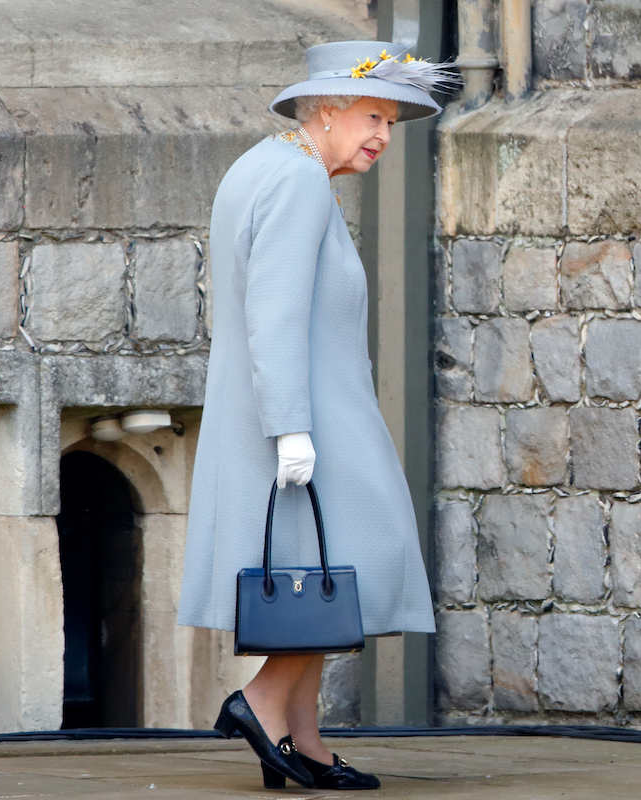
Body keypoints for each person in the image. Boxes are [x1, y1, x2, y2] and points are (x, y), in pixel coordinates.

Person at [176, 40, 454, 790]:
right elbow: (273, 313)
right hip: (306, 417)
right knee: (358, 563)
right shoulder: (298, 181)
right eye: (372, 115)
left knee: (317, 576)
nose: (383, 136)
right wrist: (291, 428)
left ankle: (304, 740)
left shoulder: (268, 166)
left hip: (292, 406)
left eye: (391, 122)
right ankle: (261, 703)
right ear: (326, 110)